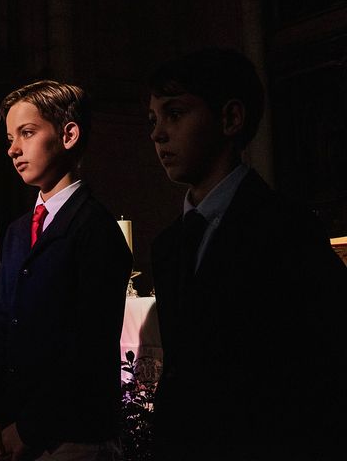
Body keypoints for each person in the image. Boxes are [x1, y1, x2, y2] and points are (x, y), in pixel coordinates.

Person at [148, 47, 347, 459]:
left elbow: (320, 367)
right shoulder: (168, 245)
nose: (158, 133)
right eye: (154, 120)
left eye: (175, 114)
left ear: (230, 118)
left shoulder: (285, 230)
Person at [0, 80, 133, 461]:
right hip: (12, 431)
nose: (13, 149)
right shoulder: (17, 231)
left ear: (68, 134)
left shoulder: (94, 228)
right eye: (10, 137)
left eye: (27, 133)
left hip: (70, 436)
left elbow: (85, 346)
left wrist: (29, 428)